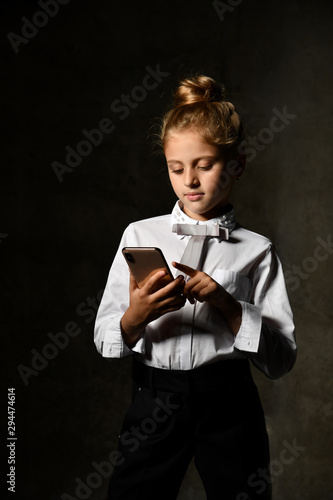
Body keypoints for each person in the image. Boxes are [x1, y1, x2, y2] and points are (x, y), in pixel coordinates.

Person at [94, 75, 297, 500]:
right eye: (176, 167)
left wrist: (228, 304)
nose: (189, 180)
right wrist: (137, 315)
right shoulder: (137, 235)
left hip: (228, 401)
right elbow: (105, 338)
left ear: (236, 165)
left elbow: (280, 361)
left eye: (205, 165)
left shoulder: (258, 250)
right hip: (154, 397)